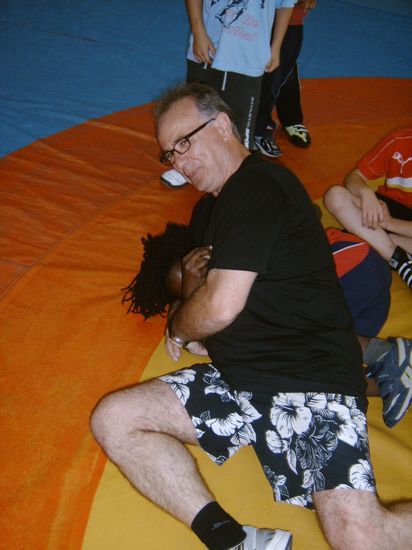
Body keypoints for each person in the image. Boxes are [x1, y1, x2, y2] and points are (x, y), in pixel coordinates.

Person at [91, 83, 412, 550]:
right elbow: (216, 310)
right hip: (239, 378)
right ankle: (232, 540)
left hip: (307, 380)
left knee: (359, 536)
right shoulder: (208, 211)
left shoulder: (259, 184)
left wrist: (179, 326)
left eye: (184, 142)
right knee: (116, 417)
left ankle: (386, 358)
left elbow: (219, 306)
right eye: (169, 154)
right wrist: (195, 317)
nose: (178, 161)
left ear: (223, 125)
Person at [122, 217, 411, 428]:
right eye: (192, 291)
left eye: (200, 280)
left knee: (268, 333)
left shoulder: (236, 252)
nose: (200, 291)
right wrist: (184, 310)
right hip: (359, 309)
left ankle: (382, 354)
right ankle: (390, 380)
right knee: (299, 370)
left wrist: (188, 312)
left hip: (349, 263)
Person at [161, 0, 295, 188]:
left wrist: (276, 46)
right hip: (209, 47)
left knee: (240, 124)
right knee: (194, 112)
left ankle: (238, 175)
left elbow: (285, 5)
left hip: (249, 57)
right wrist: (198, 31)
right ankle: (186, 163)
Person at [323, 128, 412, 288]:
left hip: (394, 224)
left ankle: (377, 243)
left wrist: (389, 223)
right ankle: (399, 260)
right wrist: (366, 192)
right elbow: (354, 177)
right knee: (335, 195)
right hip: (386, 208)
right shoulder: (400, 140)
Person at [254, 0, 315, 158]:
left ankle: (283, 121)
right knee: (266, 68)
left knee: (282, 64)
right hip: (254, 13)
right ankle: (258, 126)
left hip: (290, 13)